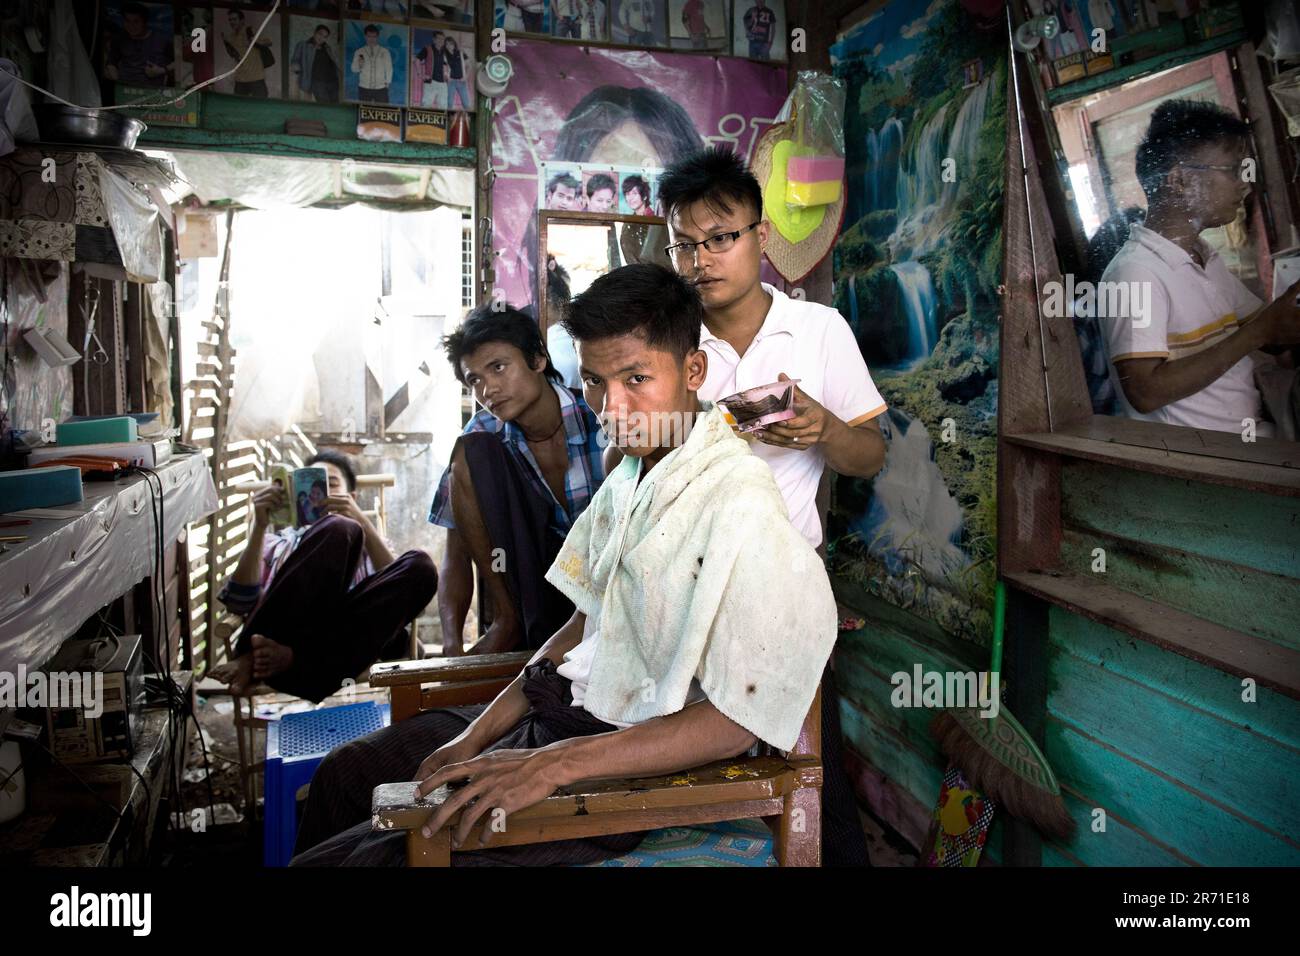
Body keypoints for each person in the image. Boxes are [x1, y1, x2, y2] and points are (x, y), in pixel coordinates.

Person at [292, 264, 837, 867]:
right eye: (597, 383)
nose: (613, 406)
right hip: (563, 715)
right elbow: (582, 625)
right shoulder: (629, 475)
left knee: (363, 863)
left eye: (636, 379)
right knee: (344, 778)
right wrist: (475, 736)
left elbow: (737, 722)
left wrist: (550, 766)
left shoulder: (738, 499)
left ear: (693, 371)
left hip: (625, 762)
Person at [654, 146, 888, 867]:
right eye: (684, 244)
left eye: (720, 238)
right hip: (682, 584)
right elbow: (624, 460)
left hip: (785, 589)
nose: (702, 259)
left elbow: (871, 455)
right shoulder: (667, 338)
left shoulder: (818, 331)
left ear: (760, 238)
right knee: (683, 766)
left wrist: (825, 431)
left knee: (806, 763)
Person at [1099, 100, 1300, 436]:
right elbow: (1145, 393)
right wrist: (1259, 331)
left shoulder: (1203, 258)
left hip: (1256, 433)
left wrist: (1279, 321)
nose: (1245, 185)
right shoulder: (1135, 272)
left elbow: (1273, 338)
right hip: (1210, 462)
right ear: (1179, 180)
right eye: (1232, 170)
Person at [430, 305, 607, 657]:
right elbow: (456, 551)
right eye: (474, 379)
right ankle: (507, 621)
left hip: (605, 585)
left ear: (538, 360)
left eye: (497, 367)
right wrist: (451, 647)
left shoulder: (597, 417)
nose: (487, 389)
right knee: (469, 453)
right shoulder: (481, 436)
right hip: (532, 592)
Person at [211, 450, 438, 702]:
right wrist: (259, 526)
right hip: (292, 636)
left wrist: (360, 521)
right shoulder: (275, 543)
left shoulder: (367, 543)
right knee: (338, 529)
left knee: (421, 565)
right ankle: (265, 654)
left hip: (343, 644)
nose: (318, 493)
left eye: (330, 484)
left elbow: (406, 604)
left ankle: (273, 659)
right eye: (309, 484)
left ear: (351, 497)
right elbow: (238, 603)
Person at [104, 3, 173, 87]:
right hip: (125, 89)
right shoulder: (119, 39)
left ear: (144, 22)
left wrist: (161, 70)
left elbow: (179, 62)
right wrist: (116, 79)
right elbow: (111, 62)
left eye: (136, 21)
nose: (131, 26)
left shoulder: (162, 40)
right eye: (127, 21)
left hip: (153, 92)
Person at [222, 7, 273, 97]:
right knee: (239, 107)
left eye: (234, 19)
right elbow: (234, 55)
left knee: (261, 106)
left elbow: (269, 42)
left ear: (242, 20)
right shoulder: (231, 36)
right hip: (240, 79)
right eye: (230, 20)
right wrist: (226, 43)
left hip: (256, 78)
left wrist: (255, 40)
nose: (232, 22)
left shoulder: (250, 31)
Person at [289, 23, 340, 103]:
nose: (321, 38)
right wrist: (297, 70)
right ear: (314, 33)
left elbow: (334, 62)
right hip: (317, 81)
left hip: (333, 81)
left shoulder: (327, 47)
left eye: (325, 37)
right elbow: (295, 60)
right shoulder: (303, 45)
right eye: (320, 34)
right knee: (325, 105)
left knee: (336, 104)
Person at [352, 23, 393, 104]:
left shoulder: (384, 51)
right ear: (365, 36)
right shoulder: (359, 51)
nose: (371, 39)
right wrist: (359, 65)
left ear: (377, 37)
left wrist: (387, 83)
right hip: (364, 87)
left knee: (383, 111)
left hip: (381, 87)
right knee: (363, 111)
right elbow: (354, 69)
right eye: (369, 36)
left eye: (374, 36)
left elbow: (389, 68)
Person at [414, 31, 447, 109]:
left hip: (443, 83)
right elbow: (417, 60)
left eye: (442, 39)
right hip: (430, 82)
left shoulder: (445, 51)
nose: (441, 41)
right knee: (426, 105)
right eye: (438, 38)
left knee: (443, 107)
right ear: (434, 39)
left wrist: (448, 73)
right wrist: (420, 74)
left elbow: (447, 64)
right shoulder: (427, 49)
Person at [443, 35, 472, 111]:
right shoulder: (445, 55)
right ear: (445, 46)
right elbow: (444, 68)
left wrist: (466, 76)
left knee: (466, 104)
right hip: (451, 82)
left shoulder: (460, 53)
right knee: (449, 104)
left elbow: (469, 65)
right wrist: (446, 77)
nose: (449, 46)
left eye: (451, 44)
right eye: (447, 44)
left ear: (454, 44)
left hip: (461, 81)